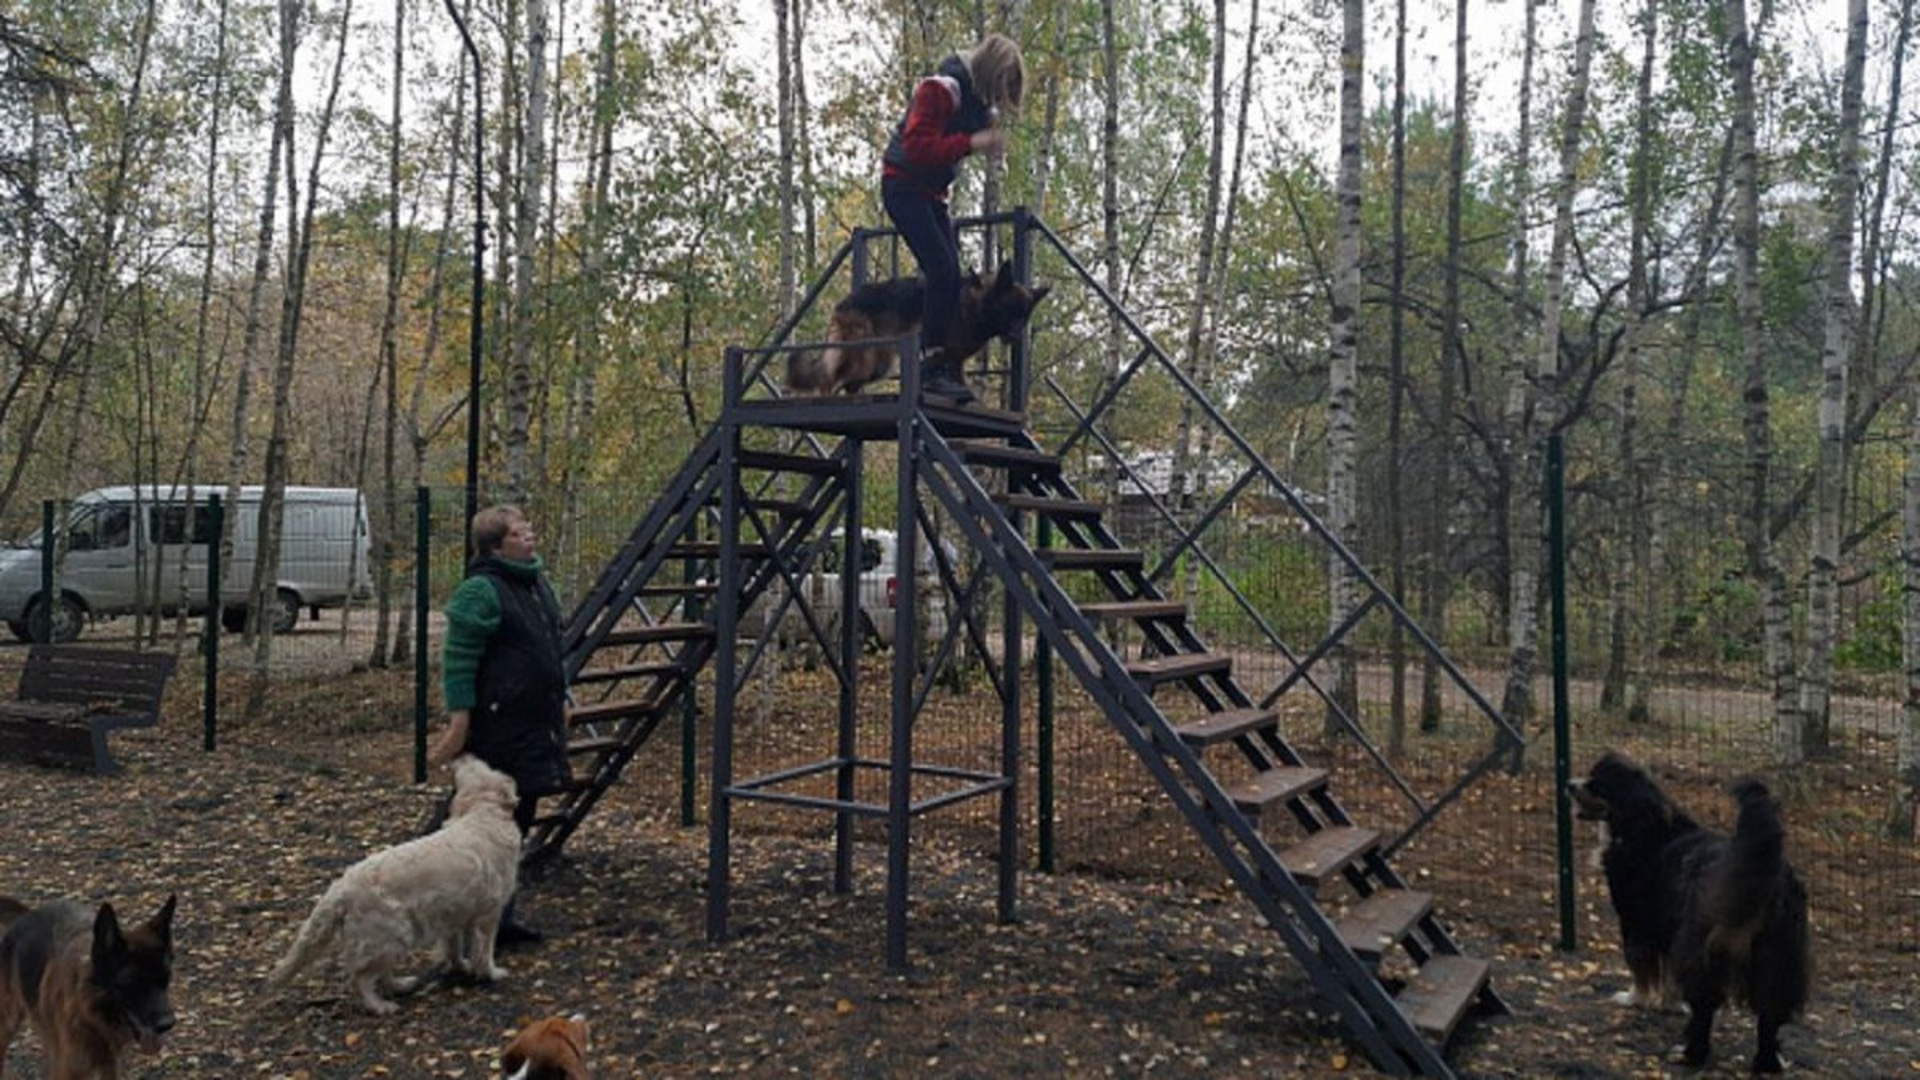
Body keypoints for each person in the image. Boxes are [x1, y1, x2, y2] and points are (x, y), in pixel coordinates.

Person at [429, 504, 569, 946]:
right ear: (495, 545)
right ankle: (445, 904)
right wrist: (459, 721)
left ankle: (499, 918)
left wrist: (562, 697)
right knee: (478, 820)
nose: (529, 536)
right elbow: (458, 661)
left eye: (528, 528)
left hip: (533, 719)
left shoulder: (537, 585)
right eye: (517, 532)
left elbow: (549, 649)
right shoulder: (481, 590)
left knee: (517, 821)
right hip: (498, 724)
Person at [881, 32, 1026, 405]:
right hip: (902, 186)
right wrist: (970, 144)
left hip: (931, 194)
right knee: (942, 271)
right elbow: (916, 146)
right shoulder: (940, 90)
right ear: (988, 75)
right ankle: (928, 369)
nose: (996, 101)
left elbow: (963, 137)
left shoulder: (977, 104)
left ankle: (942, 365)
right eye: (997, 92)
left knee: (951, 276)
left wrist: (987, 143)